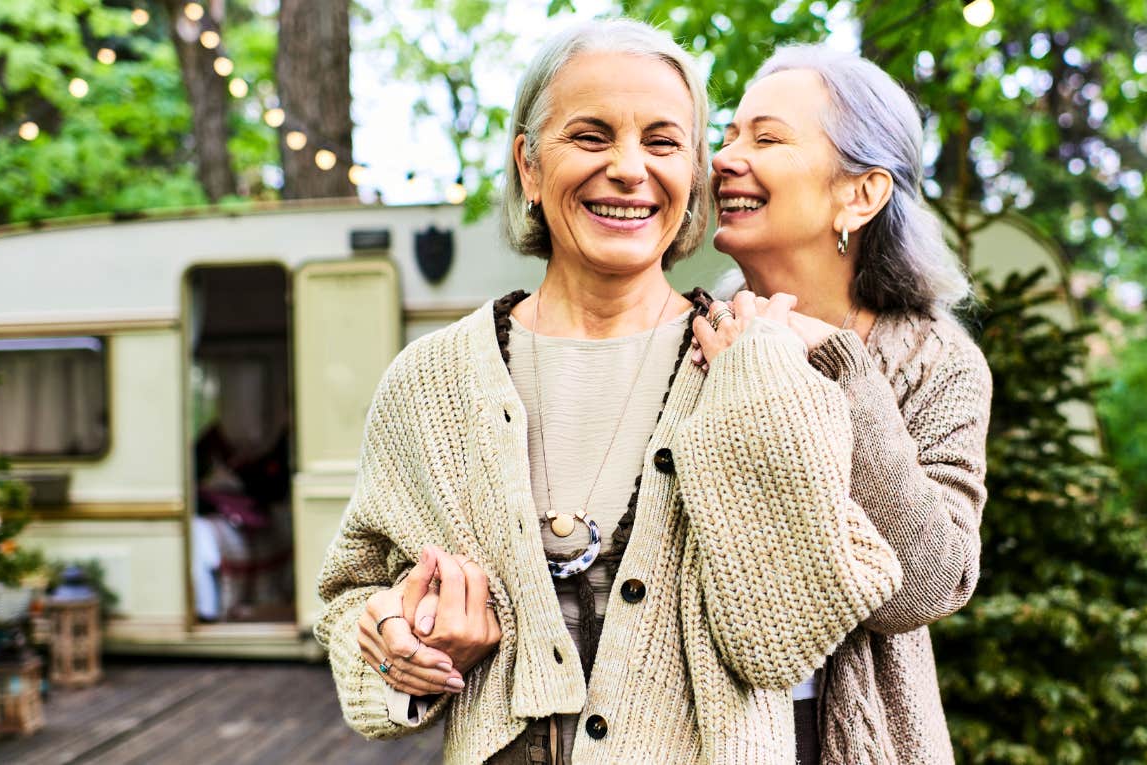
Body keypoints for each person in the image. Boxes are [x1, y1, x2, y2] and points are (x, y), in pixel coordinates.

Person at [314, 20, 903, 765]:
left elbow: (785, 637)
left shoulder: (757, 365)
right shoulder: (430, 382)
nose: (629, 169)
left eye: (662, 144)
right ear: (529, 165)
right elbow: (348, 597)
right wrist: (397, 636)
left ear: (692, 175)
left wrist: (752, 406)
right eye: (590, 137)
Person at [698, 45, 993, 764]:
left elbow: (928, 581)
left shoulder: (937, 360)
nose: (726, 158)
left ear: (860, 194)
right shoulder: (687, 337)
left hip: (851, 740)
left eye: (765, 138)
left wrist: (842, 369)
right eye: (728, 135)